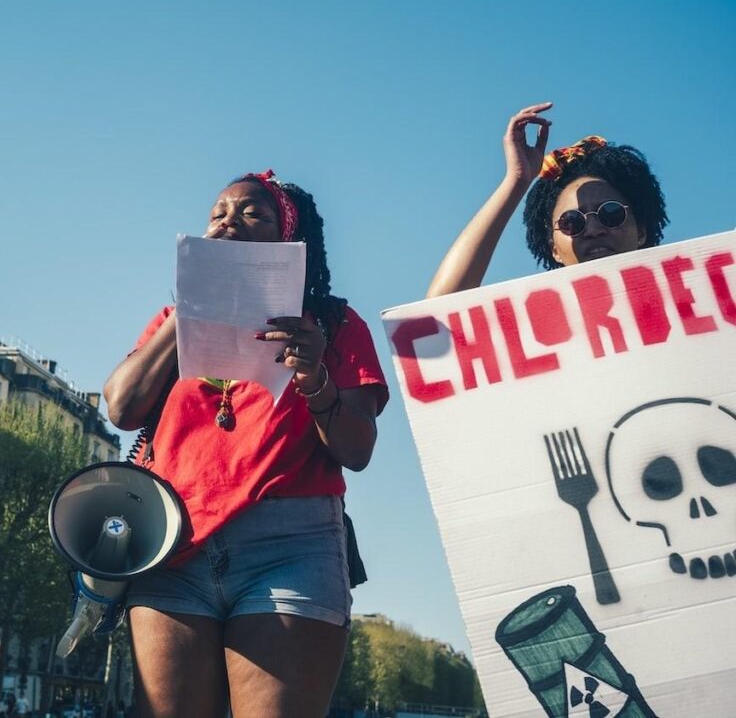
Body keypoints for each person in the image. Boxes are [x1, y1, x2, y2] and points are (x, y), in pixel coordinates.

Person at [103, 171, 388, 718]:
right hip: (173, 544)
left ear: (289, 236)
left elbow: (357, 450)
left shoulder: (333, 325)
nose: (227, 222)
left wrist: (315, 378)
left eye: (251, 212)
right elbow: (121, 407)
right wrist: (189, 310)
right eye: (218, 214)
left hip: (289, 549)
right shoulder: (171, 321)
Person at [428, 101, 669, 297]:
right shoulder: (536, 323)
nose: (594, 230)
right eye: (571, 222)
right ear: (554, 248)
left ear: (641, 231)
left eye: (610, 213)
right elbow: (440, 310)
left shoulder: (686, 300)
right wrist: (516, 180)